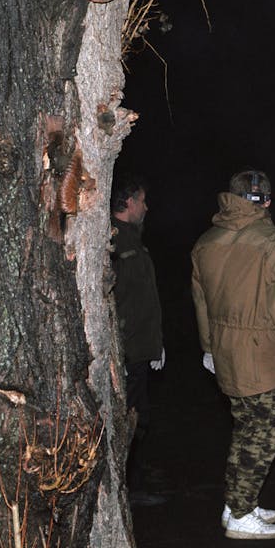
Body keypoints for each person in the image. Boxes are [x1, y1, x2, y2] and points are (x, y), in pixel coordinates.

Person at [191, 169, 275, 540]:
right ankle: (240, 514)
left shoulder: (206, 241)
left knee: (244, 429)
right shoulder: (272, 239)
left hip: (227, 352)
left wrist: (208, 347)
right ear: (267, 202)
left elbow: (201, 301)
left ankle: (238, 503)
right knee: (263, 435)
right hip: (259, 354)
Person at [110, 173, 167, 507]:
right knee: (132, 418)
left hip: (140, 347)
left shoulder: (133, 239)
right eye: (142, 201)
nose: (146, 207)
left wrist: (156, 343)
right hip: (127, 350)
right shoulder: (113, 239)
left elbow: (143, 298)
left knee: (140, 415)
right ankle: (128, 488)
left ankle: (134, 480)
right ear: (129, 202)